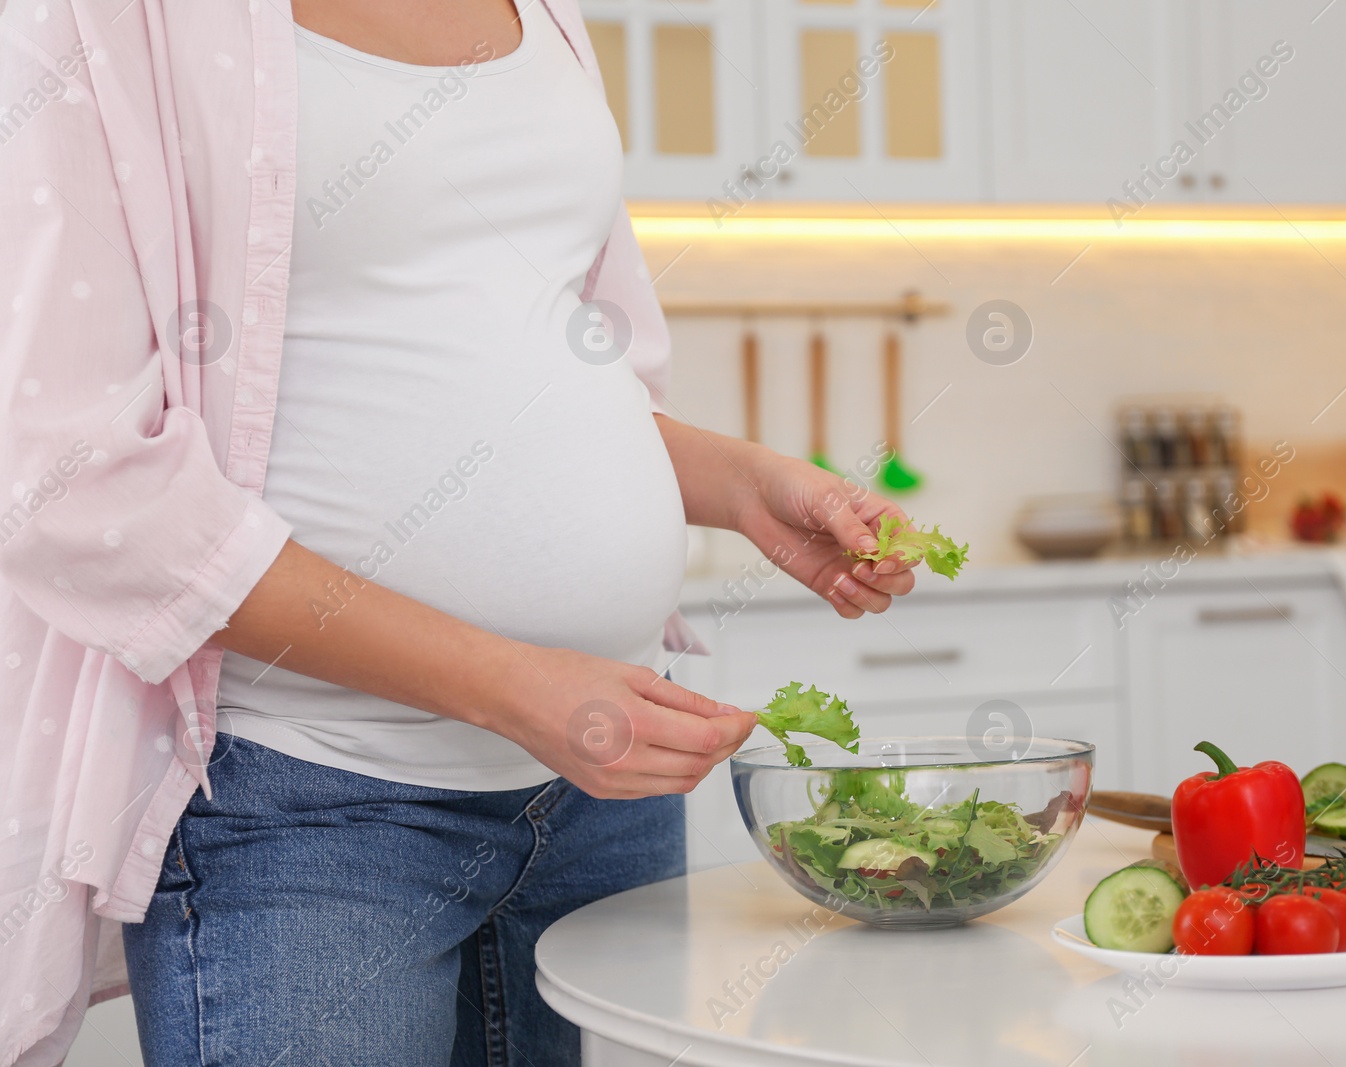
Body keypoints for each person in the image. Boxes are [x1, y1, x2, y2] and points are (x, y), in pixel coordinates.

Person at [0, 1, 918, 1063]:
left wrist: (748, 485)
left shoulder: (544, 14)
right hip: (312, 797)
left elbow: (539, 364)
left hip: (598, 796)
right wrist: (510, 683)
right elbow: (64, 480)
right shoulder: (107, 18)